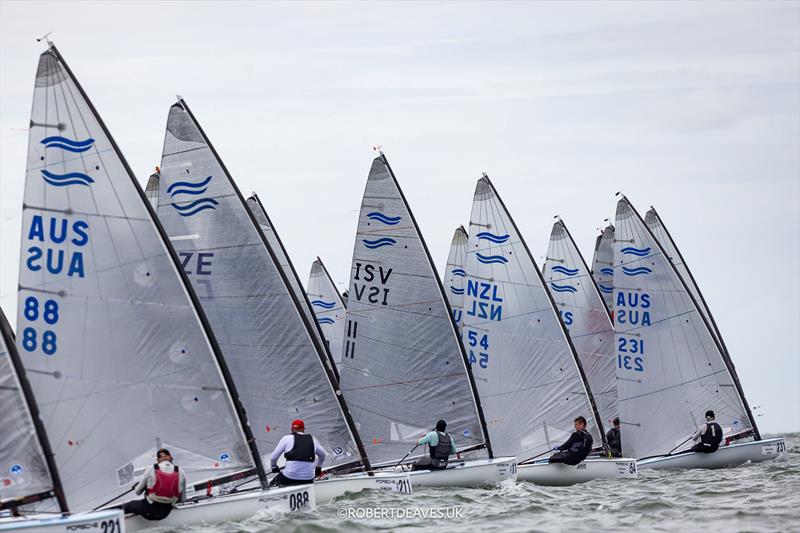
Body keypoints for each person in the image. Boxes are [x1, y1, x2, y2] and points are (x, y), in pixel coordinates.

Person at [123, 448, 186, 521]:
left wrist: (136, 487)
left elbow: (138, 492)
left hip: (148, 510)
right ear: (171, 458)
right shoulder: (181, 472)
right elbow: (183, 499)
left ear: (158, 460)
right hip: (165, 513)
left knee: (127, 506)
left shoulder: (152, 469)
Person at [269, 419, 327, 486]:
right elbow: (322, 455)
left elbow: (273, 458)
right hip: (308, 478)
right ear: (303, 429)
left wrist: (274, 467)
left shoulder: (286, 438)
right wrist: (318, 468)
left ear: (292, 429)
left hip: (289, 477)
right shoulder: (313, 439)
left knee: (271, 484)